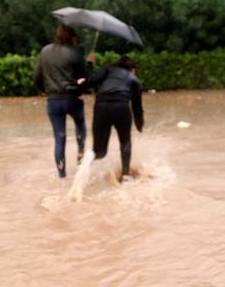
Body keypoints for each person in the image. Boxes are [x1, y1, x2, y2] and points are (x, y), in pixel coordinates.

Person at [34, 25, 93, 178]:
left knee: (59, 138)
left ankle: (61, 175)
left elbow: (37, 77)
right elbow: (85, 78)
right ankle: (80, 161)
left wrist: (45, 91)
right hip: (73, 98)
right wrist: (90, 63)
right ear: (72, 37)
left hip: (53, 101)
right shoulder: (75, 52)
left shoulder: (45, 51)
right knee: (80, 126)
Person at [81, 56, 144, 182]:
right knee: (125, 142)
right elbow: (137, 106)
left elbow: (90, 81)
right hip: (121, 107)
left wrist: (89, 64)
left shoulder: (108, 69)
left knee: (99, 151)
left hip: (101, 106)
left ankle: (86, 163)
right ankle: (125, 175)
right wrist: (139, 123)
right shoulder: (134, 80)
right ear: (132, 69)